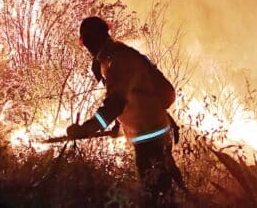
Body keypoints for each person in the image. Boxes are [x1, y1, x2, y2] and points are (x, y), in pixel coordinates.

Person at [66, 16, 184, 207]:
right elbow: (134, 96)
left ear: (95, 38)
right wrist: (118, 125)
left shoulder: (119, 60)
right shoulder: (112, 56)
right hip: (154, 131)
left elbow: (115, 104)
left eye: (87, 42)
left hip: (150, 136)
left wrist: (87, 129)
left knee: (157, 197)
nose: (87, 48)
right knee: (164, 192)